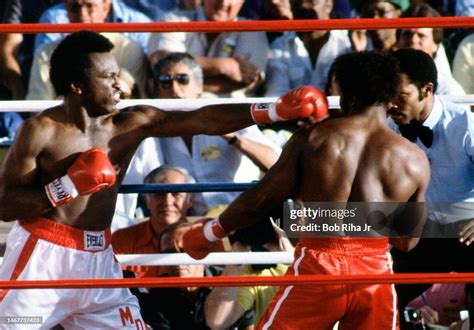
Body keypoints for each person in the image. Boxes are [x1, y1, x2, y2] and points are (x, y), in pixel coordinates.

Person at [0, 30, 327, 328]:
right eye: (109, 77)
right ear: (78, 86)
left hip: (100, 261)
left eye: (119, 74)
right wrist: (66, 187)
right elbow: (5, 204)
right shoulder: (40, 132)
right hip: (42, 258)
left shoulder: (129, 125)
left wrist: (272, 110)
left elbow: (201, 119)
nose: (120, 84)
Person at [183, 51, 431, 329]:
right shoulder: (414, 160)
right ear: (391, 93)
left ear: (343, 90)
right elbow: (407, 242)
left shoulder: (314, 139)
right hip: (375, 272)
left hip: (320, 263)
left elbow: (260, 201)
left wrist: (209, 232)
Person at [117, 52, 282, 218]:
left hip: (245, 214)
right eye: (165, 82)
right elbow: (142, 185)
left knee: (296, 216)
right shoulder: (154, 131)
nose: (174, 89)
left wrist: (232, 136)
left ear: (199, 87)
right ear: (158, 90)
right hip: (191, 225)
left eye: (183, 80)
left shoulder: (228, 113)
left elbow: (276, 163)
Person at [387, 48, 474, 329]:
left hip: (468, 231)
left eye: (400, 94)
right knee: (382, 292)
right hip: (421, 234)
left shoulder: (465, 123)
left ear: (427, 90)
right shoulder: (387, 129)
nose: (391, 103)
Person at [139, 221, 254, 330]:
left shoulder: (227, 279)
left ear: (203, 251)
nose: (178, 259)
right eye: (169, 254)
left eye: (185, 251)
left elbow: (248, 324)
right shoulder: (159, 291)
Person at [27, 0, 148, 100]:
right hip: (64, 126)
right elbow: (38, 107)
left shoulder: (129, 49)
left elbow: (130, 101)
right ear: (66, 10)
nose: (82, 14)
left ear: (106, 9)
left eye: (90, 6)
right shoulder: (47, 52)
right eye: (75, 7)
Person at [148, 0, 269, 98]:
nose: (223, 2)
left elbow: (249, 81)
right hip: (178, 110)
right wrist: (225, 66)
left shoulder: (253, 30)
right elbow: (162, 61)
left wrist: (182, 80)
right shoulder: (172, 19)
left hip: (233, 115)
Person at [205, 219, 293, 328]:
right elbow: (217, 321)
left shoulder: (311, 261)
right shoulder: (254, 272)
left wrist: (292, 257)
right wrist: (236, 258)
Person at [112, 165, 195, 278]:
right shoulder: (122, 239)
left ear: (190, 200)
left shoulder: (206, 237)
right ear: (147, 200)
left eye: (176, 194)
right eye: (159, 194)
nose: (167, 201)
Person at [264, 0, 352, 96]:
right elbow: (275, 96)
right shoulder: (280, 46)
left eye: (310, 1)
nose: (303, 6)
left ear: (328, 5)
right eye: (297, 2)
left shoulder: (348, 43)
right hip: (293, 110)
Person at [395, 3, 466, 96]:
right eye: (407, 34)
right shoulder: (386, 82)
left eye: (421, 36)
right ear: (398, 41)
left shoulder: (450, 91)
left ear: (435, 44)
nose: (413, 40)